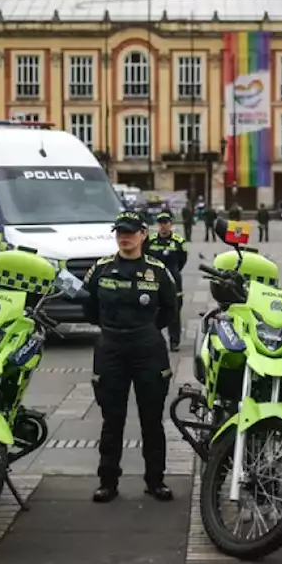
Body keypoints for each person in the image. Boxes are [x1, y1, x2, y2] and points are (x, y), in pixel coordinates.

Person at [83, 211, 177, 503]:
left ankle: (155, 480)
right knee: (112, 419)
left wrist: (145, 331)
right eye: (120, 232)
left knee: (152, 419)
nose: (124, 237)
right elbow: (89, 308)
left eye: (130, 232)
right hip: (111, 347)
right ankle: (108, 481)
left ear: (143, 234)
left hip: (147, 348)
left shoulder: (158, 270)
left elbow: (170, 310)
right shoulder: (101, 268)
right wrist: (112, 330)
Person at [145, 211, 188, 352]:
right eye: (161, 223)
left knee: (174, 312)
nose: (163, 226)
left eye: (166, 223)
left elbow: (182, 260)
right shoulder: (150, 241)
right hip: (154, 281)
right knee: (152, 311)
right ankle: (153, 340)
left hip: (174, 281)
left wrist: (174, 271)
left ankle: (174, 341)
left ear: (170, 224)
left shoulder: (178, 242)